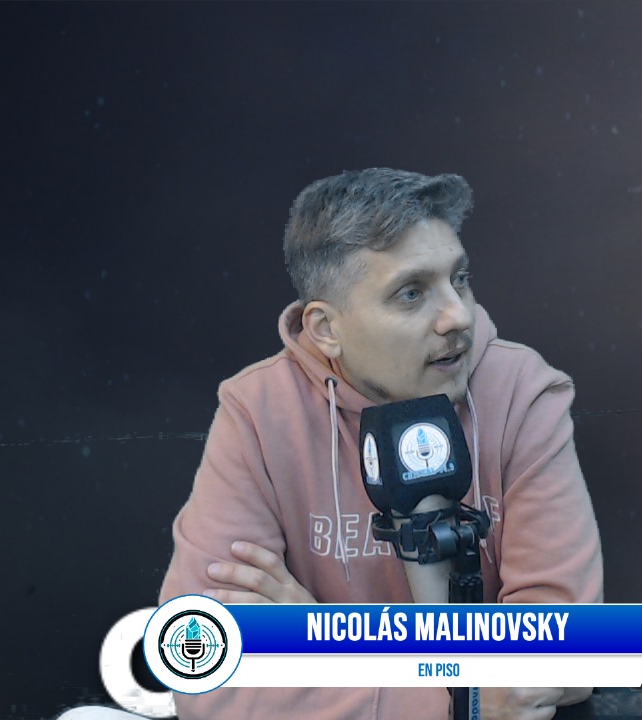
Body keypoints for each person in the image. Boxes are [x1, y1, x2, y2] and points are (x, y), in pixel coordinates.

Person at [158, 168, 604, 719]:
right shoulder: (257, 410)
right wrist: (458, 699)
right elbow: (204, 678)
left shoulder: (521, 391)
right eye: (411, 293)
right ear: (326, 329)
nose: (458, 316)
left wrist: (326, 642)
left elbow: (561, 658)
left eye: (460, 279)